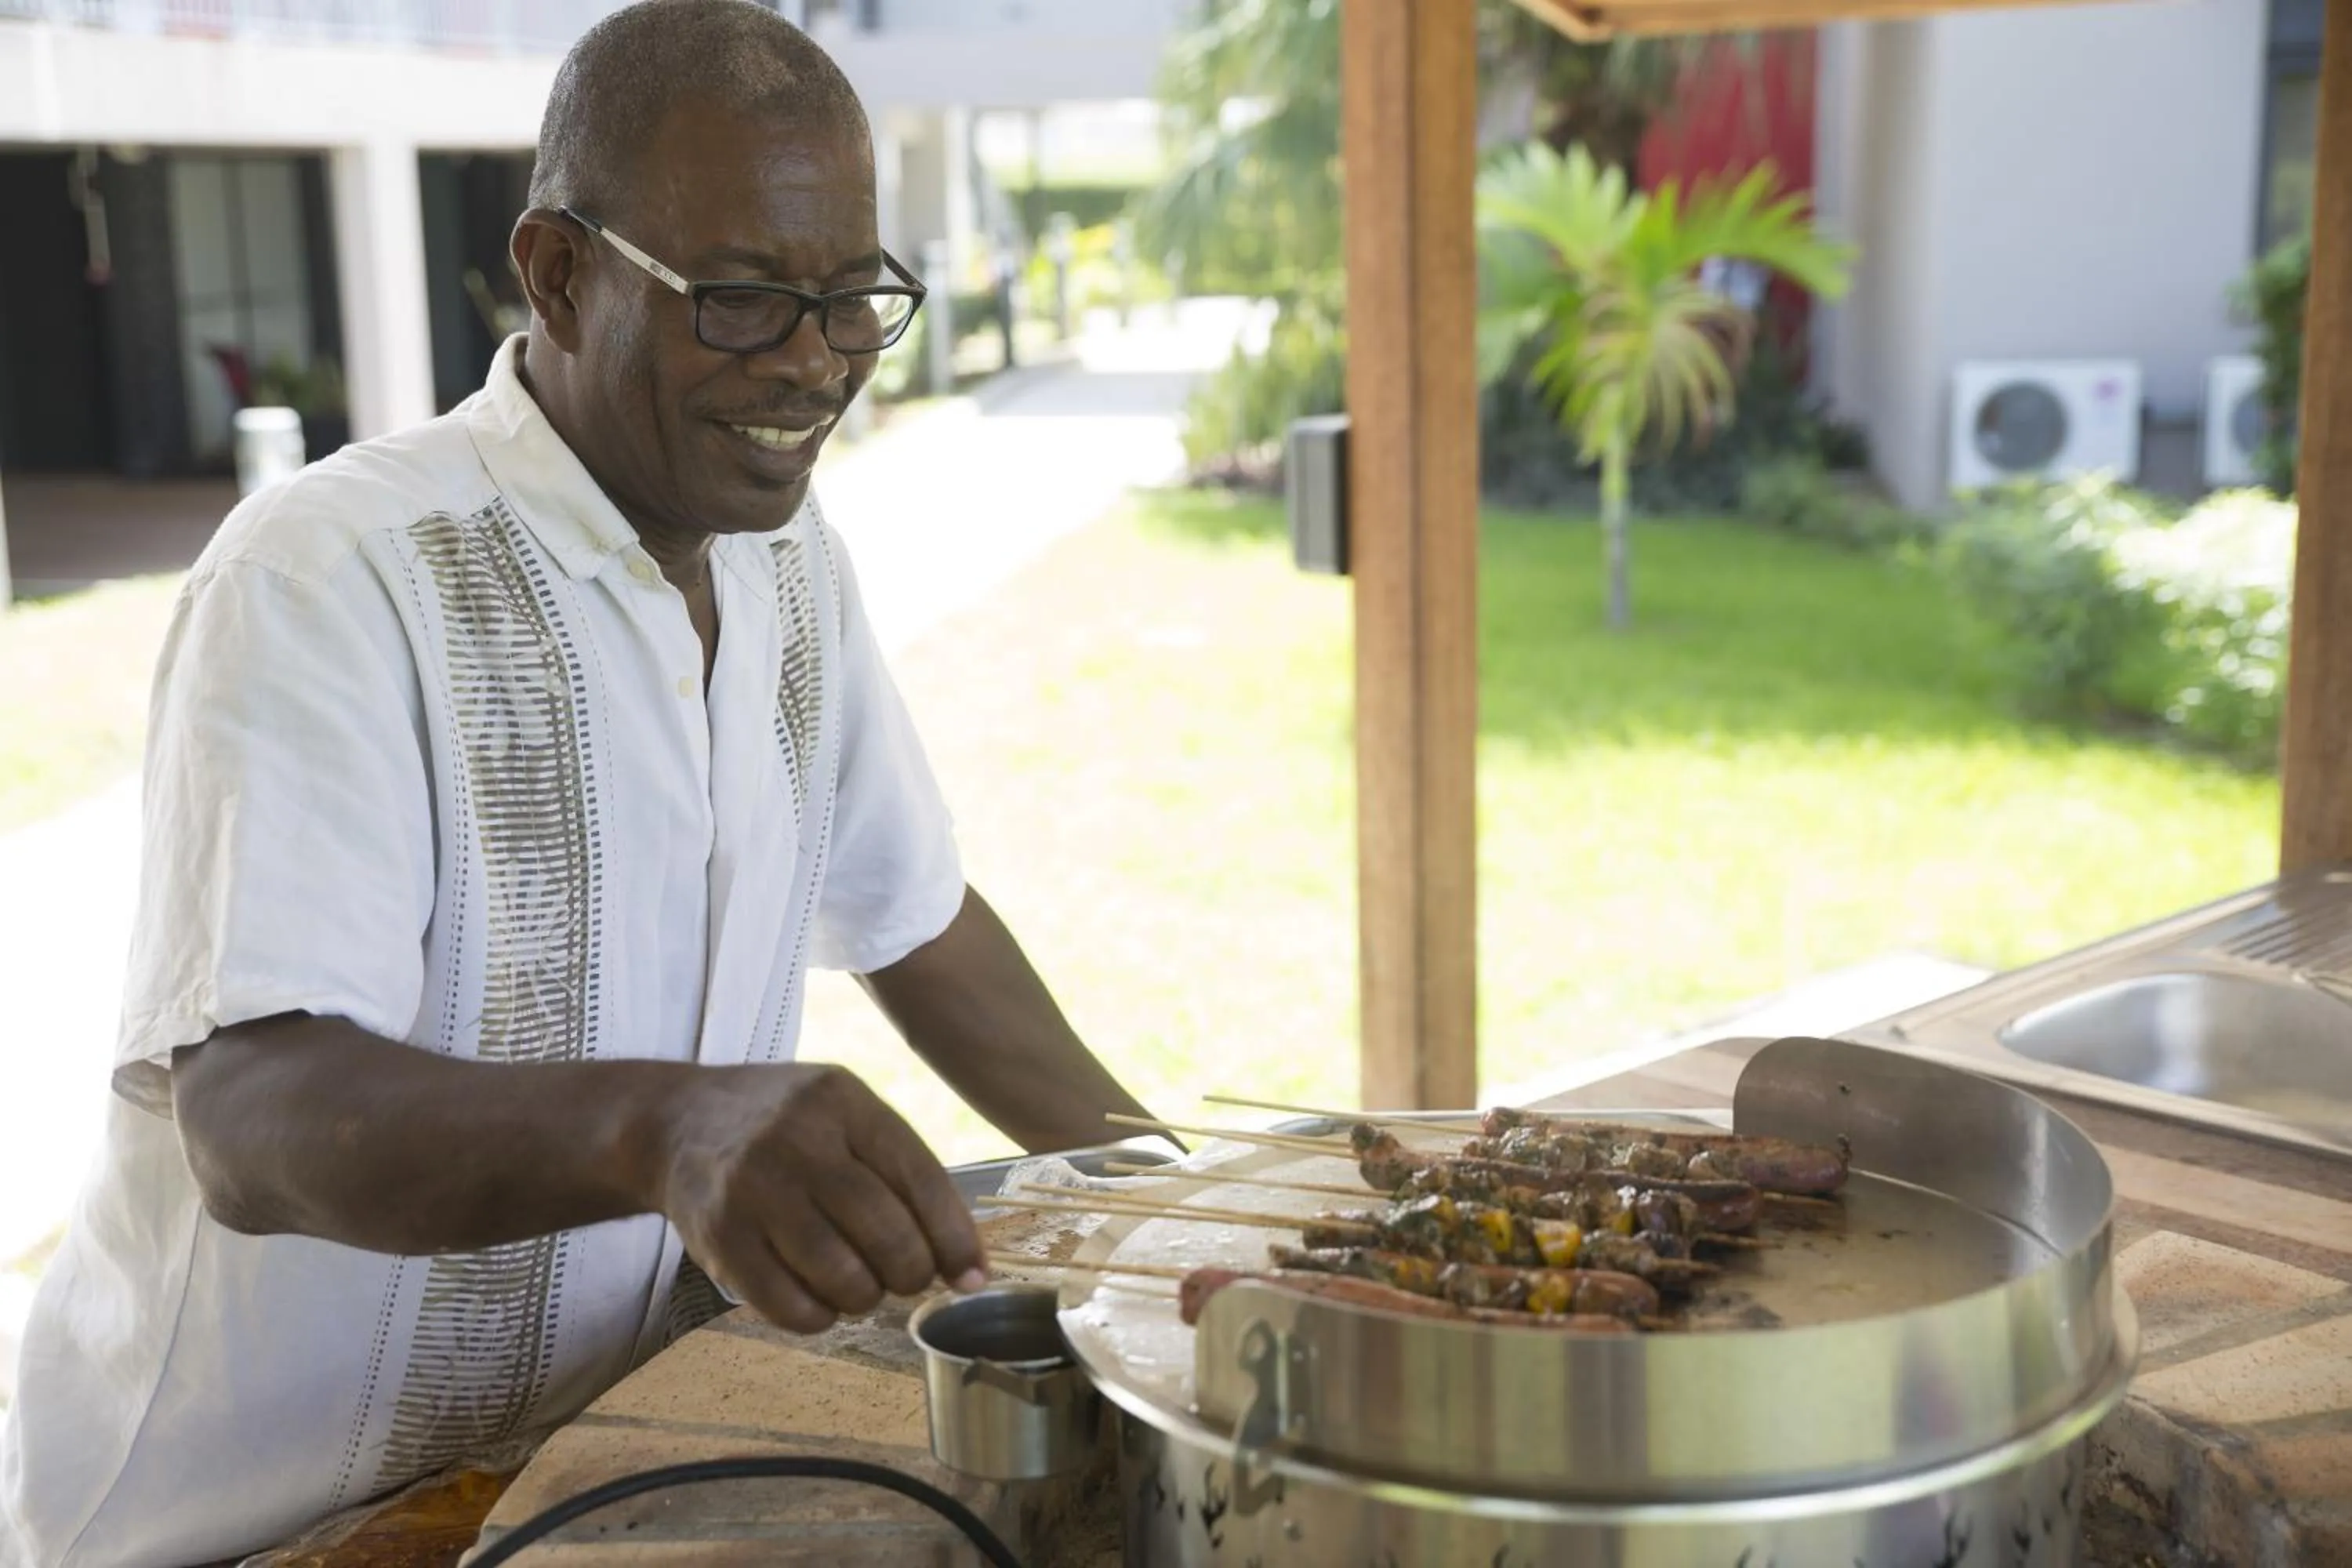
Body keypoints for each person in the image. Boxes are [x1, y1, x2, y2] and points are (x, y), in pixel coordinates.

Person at [0, 4, 1160, 1563]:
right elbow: (253, 1116)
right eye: (746, 302)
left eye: (851, 302)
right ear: (556, 272)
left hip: (584, 1461)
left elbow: (918, 924)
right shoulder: (332, 577)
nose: (817, 366)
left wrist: (1187, 1197)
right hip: (246, 1524)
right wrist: (665, 1129)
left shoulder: (793, 567)